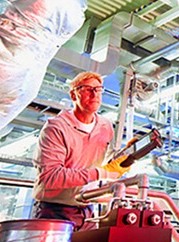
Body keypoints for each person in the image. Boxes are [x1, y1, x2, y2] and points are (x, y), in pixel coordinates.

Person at [32, 72, 127, 232]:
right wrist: (99, 174)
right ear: (73, 94)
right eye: (88, 89)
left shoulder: (105, 127)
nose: (94, 94)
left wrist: (126, 158)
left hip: (86, 207)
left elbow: (105, 162)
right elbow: (50, 177)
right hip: (54, 209)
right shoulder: (56, 128)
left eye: (98, 89)